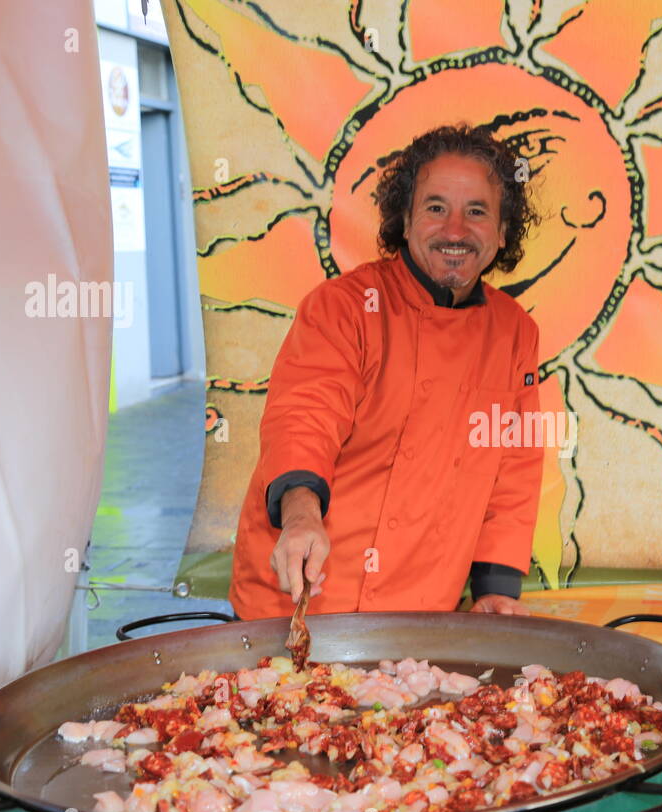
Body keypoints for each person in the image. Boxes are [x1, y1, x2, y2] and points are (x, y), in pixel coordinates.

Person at [228, 124, 544, 620]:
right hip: (306, 592)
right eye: (436, 207)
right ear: (405, 218)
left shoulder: (516, 332)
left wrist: (495, 587)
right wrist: (302, 517)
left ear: (503, 231)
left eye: (477, 212)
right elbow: (304, 418)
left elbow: (514, 468)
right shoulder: (343, 308)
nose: (455, 230)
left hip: (421, 608)